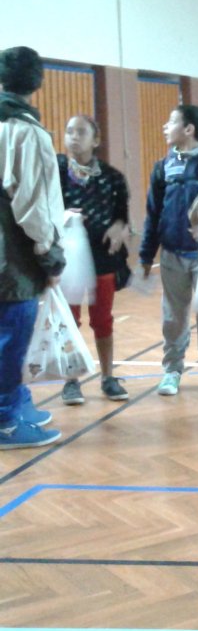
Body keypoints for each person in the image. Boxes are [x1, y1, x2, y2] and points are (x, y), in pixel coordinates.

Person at [139, 104, 198, 396]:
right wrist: (146, 255)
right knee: (173, 316)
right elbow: (153, 213)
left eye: (171, 122)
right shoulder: (163, 167)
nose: (165, 128)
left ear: (189, 129)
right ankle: (172, 370)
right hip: (171, 255)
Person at [0, 46, 65, 449]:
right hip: (13, 261)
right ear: (38, 82)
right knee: (11, 339)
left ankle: (17, 404)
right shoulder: (26, 133)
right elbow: (34, 207)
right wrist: (51, 256)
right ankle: (6, 422)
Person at [58, 114, 133, 404]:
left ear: (96, 140)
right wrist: (62, 216)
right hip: (67, 260)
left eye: (81, 132)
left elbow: (122, 218)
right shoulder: (56, 172)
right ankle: (71, 381)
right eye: (69, 131)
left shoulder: (113, 178)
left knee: (102, 319)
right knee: (69, 320)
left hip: (103, 258)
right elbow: (46, 209)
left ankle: (108, 377)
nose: (74, 137)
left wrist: (119, 227)